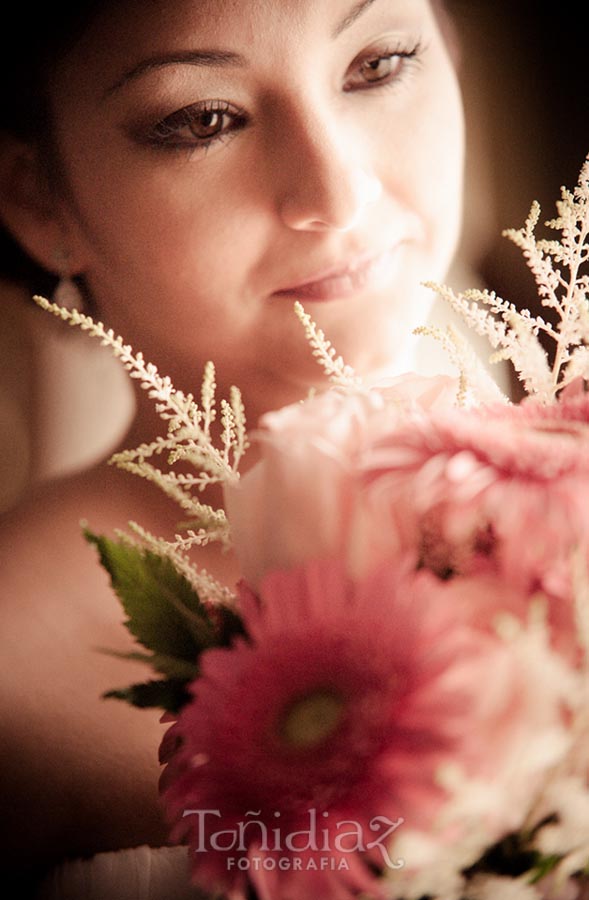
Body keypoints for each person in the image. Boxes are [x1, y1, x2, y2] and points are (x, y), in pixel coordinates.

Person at [0, 0, 469, 895]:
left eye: (377, 64)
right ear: (37, 196)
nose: (338, 195)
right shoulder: (13, 674)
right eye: (203, 119)